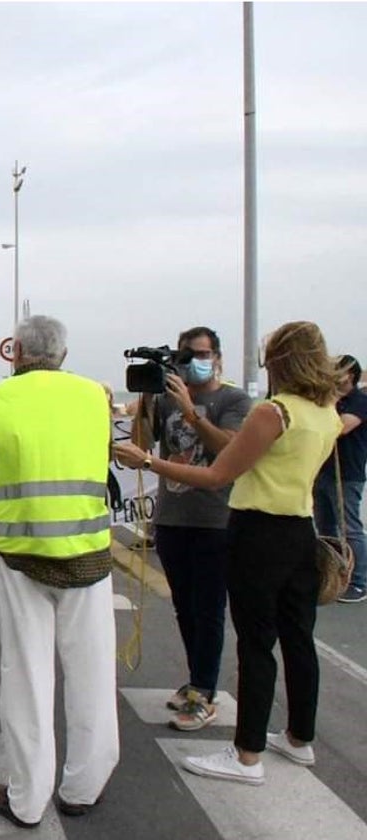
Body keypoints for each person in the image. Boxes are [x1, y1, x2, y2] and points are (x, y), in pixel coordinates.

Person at [115, 320, 342, 786]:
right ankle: (299, 738)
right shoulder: (326, 412)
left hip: (257, 529)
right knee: (297, 638)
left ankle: (246, 756)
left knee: (255, 643)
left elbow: (220, 475)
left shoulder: (271, 412)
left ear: (279, 360)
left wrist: (151, 463)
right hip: (300, 528)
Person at [0, 315, 117, 828]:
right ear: (63, 353)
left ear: (14, 352)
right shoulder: (95, 397)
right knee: (92, 672)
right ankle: (84, 786)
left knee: (27, 674)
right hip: (88, 551)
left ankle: (27, 797)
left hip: (20, 557)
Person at [130, 327, 253, 730]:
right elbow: (141, 446)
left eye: (199, 354)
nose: (190, 362)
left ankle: (204, 690)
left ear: (217, 357)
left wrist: (189, 411)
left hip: (216, 519)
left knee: (209, 608)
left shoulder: (233, 400)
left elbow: (227, 449)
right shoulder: (165, 400)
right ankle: (197, 680)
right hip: (173, 517)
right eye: (183, 356)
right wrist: (148, 400)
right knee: (185, 607)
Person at [313, 354, 367, 603]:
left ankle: (358, 582)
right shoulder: (327, 401)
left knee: (350, 528)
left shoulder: (359, 402)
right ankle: (331, 577)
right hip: (323, 472)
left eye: (338, 371)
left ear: (351, 375)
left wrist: (330, 402)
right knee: (326, 527)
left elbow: (341, 427)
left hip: (347, 474)